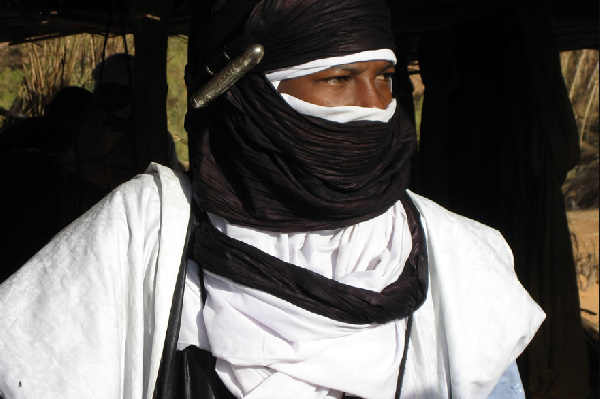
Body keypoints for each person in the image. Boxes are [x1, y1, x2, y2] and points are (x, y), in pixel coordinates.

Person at [0, 1, 544, 398]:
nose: (375, 107)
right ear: (249, 93)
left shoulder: (453, 255)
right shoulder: (146, 232)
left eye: (384, 78)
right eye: (339, 79)